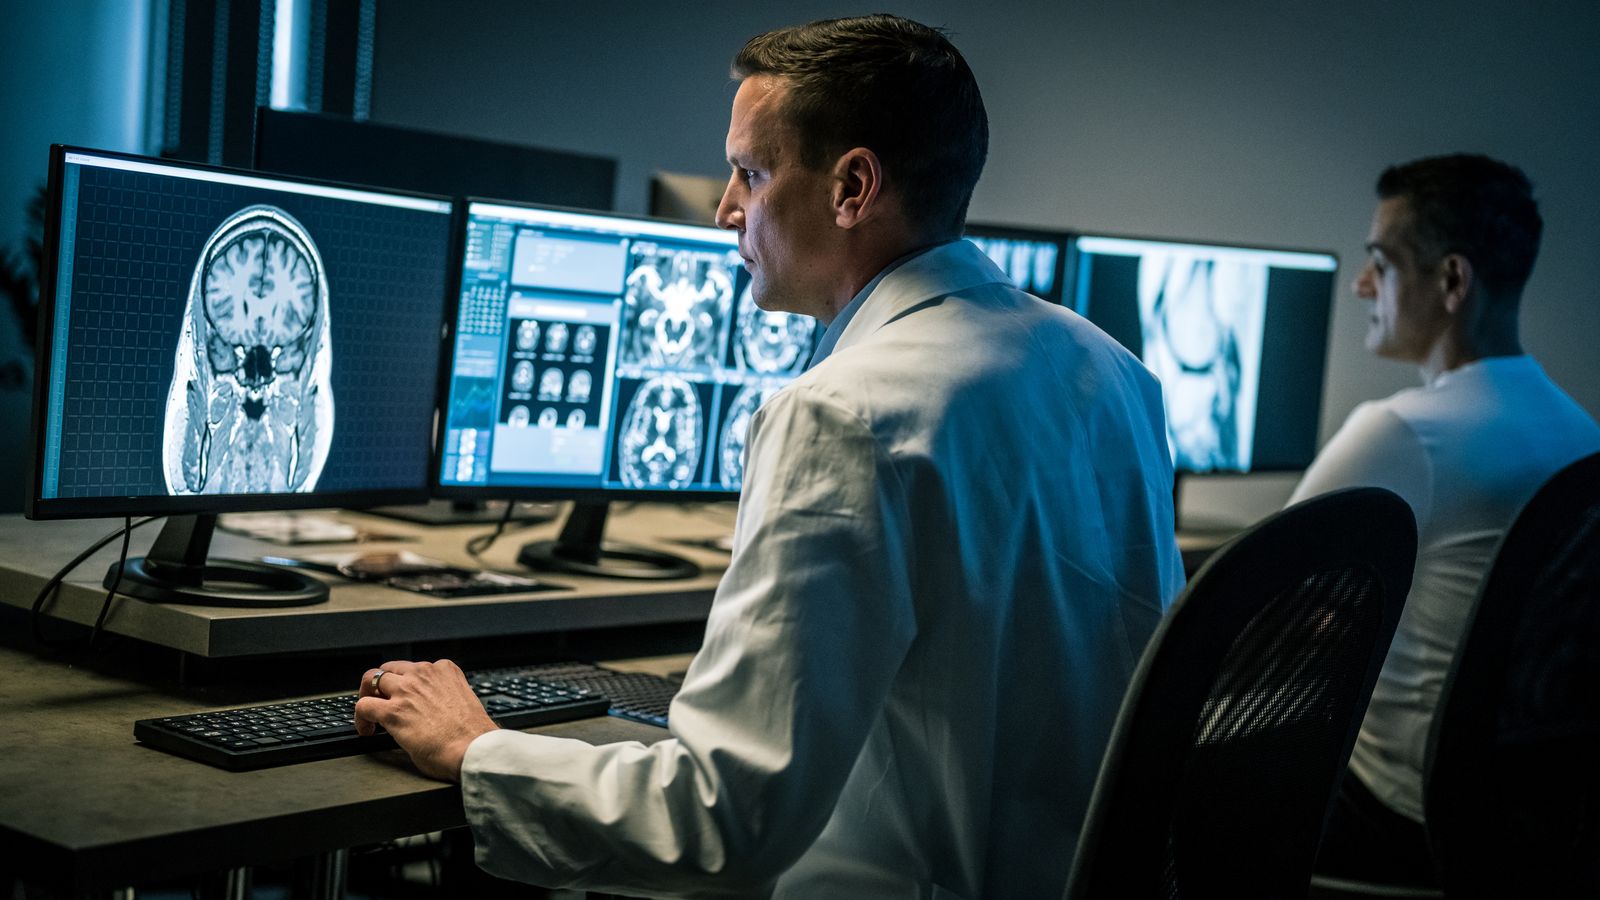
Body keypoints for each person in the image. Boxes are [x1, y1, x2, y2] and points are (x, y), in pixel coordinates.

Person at [353, 14, 1184, 897]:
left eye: (751, 172)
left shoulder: (843, 415)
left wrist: (477, 749)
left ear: (851, 187)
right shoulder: (1113, 371)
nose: (725, 208)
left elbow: (722, 821)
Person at [1297, 154, 1600, 884]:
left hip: (1391, 817)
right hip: (1524, 825)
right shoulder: (1580, 432)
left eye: (1380, 263)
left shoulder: (1402, 432)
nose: (1360, 285)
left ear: (1453, 281)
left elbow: (1254, 609)